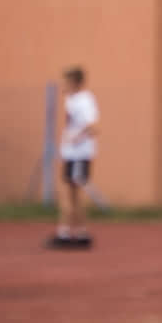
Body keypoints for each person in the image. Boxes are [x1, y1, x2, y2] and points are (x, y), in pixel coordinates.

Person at [49, 66, 99, 249]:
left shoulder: (85, 100)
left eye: (65, 82)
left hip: (80, 154)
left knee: (72, 194)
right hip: (71, 154)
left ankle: (69, 233)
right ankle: (77, 232)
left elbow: (93, 126)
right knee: (71, 194)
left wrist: (75, 137)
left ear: (75, 82)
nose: (63, 85)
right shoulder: (71, 100)